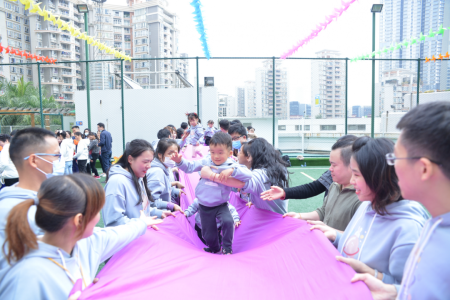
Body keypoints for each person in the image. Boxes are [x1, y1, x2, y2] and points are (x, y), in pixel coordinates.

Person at [0, 174, 163, 300]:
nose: (99, 218)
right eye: (97, 211)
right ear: (79, 220)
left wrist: (142, 223)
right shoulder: (27, 276)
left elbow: (122, 233)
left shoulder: (87, 243)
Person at [351, 102, 450, 300]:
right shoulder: (436, 224)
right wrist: (395, 292)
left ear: (423, 169)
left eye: (395, 159)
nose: (391, 168)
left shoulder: (415, 227)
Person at [311, 137, 428, 284]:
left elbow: (411, 290)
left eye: (357, 175)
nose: (352, 181)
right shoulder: (368, 205)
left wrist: (371, 274)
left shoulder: (408, 229)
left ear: (378, 177)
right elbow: (360, 243)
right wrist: (336, 236)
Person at [171, 132, 252, 255]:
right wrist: (179, 161)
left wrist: (232, 170)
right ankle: (214, 248)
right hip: (204, 206)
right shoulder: (207, 161)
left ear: (230, 154)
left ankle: (227, 248)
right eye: (212, 152)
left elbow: (248, 174)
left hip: (221, 204)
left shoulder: (231, 164)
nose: (216, 156)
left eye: (220, 152)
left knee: (228, 221)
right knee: (208, 233)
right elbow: (190, 167)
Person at [0, 128, 63, 281]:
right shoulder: (8, 211)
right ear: (34, 160)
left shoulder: (52, 196)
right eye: (56, 155)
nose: (60, 160)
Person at [282, 135, 361, 231]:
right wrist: (299, 216)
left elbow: (359, 238)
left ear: (351, 165)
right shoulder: (334, 186)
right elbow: (324, 211)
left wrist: (331, 231)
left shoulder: (361, 198)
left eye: (334, 165)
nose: (330, 169)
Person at [204, 138, 290, 214]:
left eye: (240, 152)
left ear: (249, 157)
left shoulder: (260, 174)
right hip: (276, 219)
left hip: (270, 223)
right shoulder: (278, 169)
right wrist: (255, 200)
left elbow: (242, 183)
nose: (237, 154)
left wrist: (211, 175)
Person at [103, 139, 175, 227]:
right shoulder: (117, 182)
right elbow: (114, 222)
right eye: (145, 162)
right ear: (130, 159)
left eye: (150, 162)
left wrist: (159, 213)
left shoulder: (139, 177)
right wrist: (141, 224)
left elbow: (141, 210)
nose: (149, 166)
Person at [146, 139, 183, 213]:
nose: (173, 157)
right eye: (170, 153)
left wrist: (174, 191)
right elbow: (152, 202)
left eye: (176, 153)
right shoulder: (157, 172)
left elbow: (164, 187)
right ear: (160, 154)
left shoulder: (166, 167)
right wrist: (172, 205)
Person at [261, 170, 333, 201]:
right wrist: (284, 192)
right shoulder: (332, 177)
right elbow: (313, 188)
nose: (330, 169)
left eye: (334, 164)